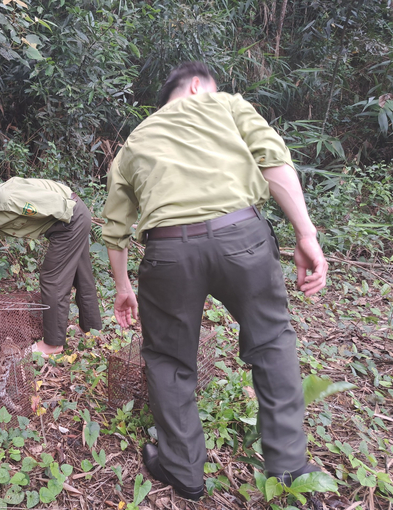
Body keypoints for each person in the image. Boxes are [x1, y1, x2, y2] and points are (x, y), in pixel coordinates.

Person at [101, 62, 328, 500]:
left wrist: (123, 287)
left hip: (168, 253)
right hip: (242, 237)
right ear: (200, 86)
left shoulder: (136, 140)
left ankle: (183, 472)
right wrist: (305, 234)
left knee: (168, 360)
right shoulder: (226, 104)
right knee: (271, 341)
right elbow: (274, 161)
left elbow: (114, 230)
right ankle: (289, 474)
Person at [0, 176, 102, 356]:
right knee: (82, 275)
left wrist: (74, 226)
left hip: (70, 218)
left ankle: (53, 344)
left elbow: (59, 204)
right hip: (68, 221)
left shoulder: (7, 199)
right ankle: (92, 329)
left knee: (53, 279)